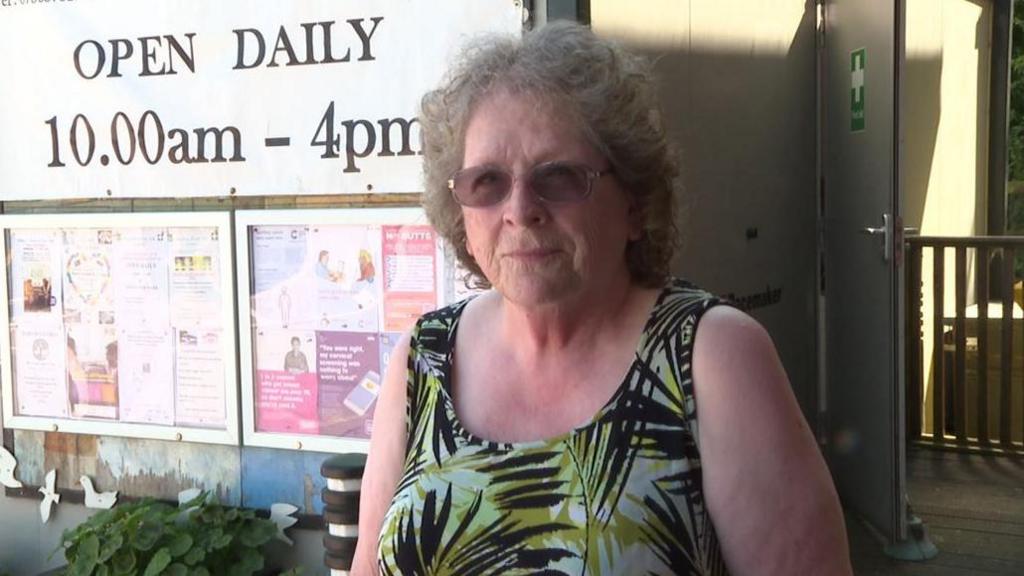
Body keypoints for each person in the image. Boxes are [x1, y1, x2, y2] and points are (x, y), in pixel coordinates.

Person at [354, 22, 852, 575]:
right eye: (487, 182)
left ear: (635, 205)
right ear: (461, 213)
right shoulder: (423, 358)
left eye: (560, 177)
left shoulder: (709, 355)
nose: (520, 209)